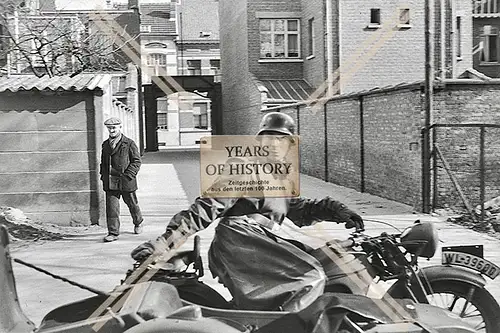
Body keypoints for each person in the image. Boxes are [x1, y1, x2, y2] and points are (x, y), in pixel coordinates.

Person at [131, 112, 364, 311]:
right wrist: (163, 243)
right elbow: (207, 206)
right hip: (241, 239)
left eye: (281, 140)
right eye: (268, 138)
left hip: (260, 240)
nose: (274, 144)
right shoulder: (243, 167)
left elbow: (297, 210)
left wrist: (337, 211)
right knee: (310, 277)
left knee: (330, 262)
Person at [100, 117, 144, 242]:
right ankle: (113, 232)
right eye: (109, 128)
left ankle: (138, 222)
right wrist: (103, 175)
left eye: (114, 127)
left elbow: (136, 161)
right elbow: (103, 163)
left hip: (126, 180)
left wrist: (129, 175)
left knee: (132, 204)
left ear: (120, 127)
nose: (111, 130)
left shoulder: (129, 143)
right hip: (110, 181)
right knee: (111, 207)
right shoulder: (105, 144)